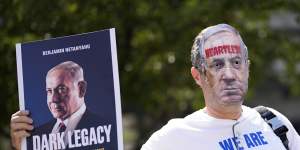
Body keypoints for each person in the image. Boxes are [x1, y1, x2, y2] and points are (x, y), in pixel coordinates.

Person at [141, 24, 300, 150]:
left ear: (247, 69)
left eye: (237, 63)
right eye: (217, 65)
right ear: (197, 76)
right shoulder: (174, 138)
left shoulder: (274, 122)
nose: (229, 75)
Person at [10, 61, 115, 150]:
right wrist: (20, 147)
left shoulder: (106, 130)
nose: (53, 99)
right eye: (49, 91)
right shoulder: (35, 134)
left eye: (61, 89)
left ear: (81, 89)